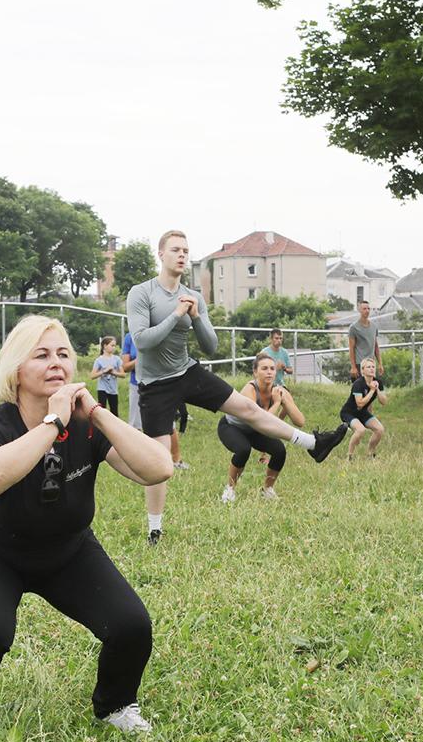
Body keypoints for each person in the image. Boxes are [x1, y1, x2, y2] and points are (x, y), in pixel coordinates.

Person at [0, 315, 173, 742]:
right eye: (41, 355)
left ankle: (116, 705)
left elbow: (158, 469)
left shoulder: (87, 423)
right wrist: (52, 424)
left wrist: (96, 414)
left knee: (131, 625)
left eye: (63, 354)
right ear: (16, 370)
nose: (56, 363)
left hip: (68, 551)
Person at [127, 230, 345, 545]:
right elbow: (142, 342)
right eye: (175, 249)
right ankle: (154, 530)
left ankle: (314, 443)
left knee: (247, 408)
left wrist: (197, 316)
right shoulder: (142, 293)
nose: (182, 255)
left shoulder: (193, 295)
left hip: (187, 371)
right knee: (161, 464)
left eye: (186, 250)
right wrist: (176, 315)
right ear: (160, 254)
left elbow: (211, 345)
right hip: (155, 385)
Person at [218, 353, 305, 501]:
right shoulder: (250, 389)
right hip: (232, 426)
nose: (269, 371)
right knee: (243, 449)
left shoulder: (278, 390)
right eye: (264, 368)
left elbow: (300, 421)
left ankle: (268, 489)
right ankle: (230, 489)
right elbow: (259, 420)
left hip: (254, 430)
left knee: (279, 450)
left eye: (272, 368)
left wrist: (286, 401)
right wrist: (277, 403)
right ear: (255, 372)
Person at [341, 357, 389, 459]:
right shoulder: (358, 384)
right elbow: (360, 404)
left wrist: (377, 390)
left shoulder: (378, 382)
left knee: (380, 429)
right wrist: (371, 391)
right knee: (360, 430)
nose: (372, 369)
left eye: (373, 367)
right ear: (363, 370)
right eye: (368, 367)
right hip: (349, 413)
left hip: (362, 413)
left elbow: (384, 402)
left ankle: (370, 453)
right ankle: (349, 456)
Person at [347, 300, 382, 382]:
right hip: (360, 364)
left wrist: (380, 363)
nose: (367, 311)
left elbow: (376, 346)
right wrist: (353, 367)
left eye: (368, 309)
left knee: (372, 389)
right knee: (359, 391)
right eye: (364, 309)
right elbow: (351, 348)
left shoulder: (374, 326)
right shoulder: (353, 327)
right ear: (359, 310)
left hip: (371, 364)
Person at [90, 336, 125, 415]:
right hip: (102, 389)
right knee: (102, 411)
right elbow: (92, 376)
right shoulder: (99, 360)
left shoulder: (117, 359)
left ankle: (114, 427)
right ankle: (101, 427)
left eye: (114, 346)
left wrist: (113, 372)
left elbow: (123, 374)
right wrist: (103, 371)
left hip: (113, 389)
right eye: (112, 345)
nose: (114, 348)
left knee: (114, 411)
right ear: (105, 346)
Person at [121, 331, 142, 430]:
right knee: (135, 425)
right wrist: (140, 359)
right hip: (136, 385)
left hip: (158, 384)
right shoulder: (129, 337)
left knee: (166, 426)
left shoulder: (156, 331)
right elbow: (125, 367)